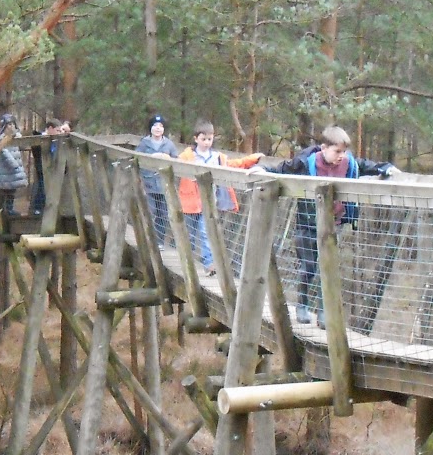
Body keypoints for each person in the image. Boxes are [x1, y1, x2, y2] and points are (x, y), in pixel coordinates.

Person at [268, 125, 400, 325]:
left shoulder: (349, 164)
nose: (341, 156)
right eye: (337, 151)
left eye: (344, 151)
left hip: (333, 224)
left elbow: (367, 165)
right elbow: (282, 169)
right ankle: (302, 305)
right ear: (323, 148)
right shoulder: (306, 162)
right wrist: (261, 170)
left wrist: (386, 168)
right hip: (307, 223)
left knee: (326, 267)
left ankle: (323, 311)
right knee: (309, 267)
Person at [175, 120, 263, 275]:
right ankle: (184, 262)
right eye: (203, 139)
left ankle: (209, 264)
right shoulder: (186, 156)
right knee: (188, 233)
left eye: (209, 139)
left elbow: (235, 164)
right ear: (196, 139)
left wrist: (252, 159)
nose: (207, 142)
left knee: (206, 232)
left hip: (208, 204)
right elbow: (172, 164)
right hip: (189, 202)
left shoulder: (217, 158)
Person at [134, 114, 180, 246]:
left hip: (163, 185)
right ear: (150, 128)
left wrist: (168, 159)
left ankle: (159, 241)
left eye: (161, 126)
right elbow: (136, 159)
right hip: (147, 183)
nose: (158, 128)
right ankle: (146, 240)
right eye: (155, 126)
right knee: (148, 211)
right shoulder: (144, 143)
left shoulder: (169, 144)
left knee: (162, 214)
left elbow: (176, 160)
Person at [29, 118, 71, 215]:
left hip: (53, 168)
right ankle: (38, 209)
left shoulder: (57, 140)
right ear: (50, 128)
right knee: (42, 188)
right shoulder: (39, 138)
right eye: (57, 130)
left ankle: (49, 209)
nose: (59, 133)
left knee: (51, 189)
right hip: (43, 168)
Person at [0, 113, 29, 215]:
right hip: (6, 169)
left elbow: (22, 143)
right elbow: (4, 152)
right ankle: (4, 212)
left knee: (12, 191)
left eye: (12, 124)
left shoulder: (15, 136)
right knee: (6, 191)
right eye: (8, 124)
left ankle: (9, 210)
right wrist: (14, 165)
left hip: (13, 170)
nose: (11, 126)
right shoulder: (1, 138)